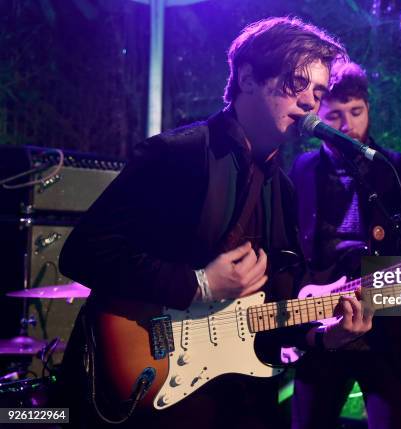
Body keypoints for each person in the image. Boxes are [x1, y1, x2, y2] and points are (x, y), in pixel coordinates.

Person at [54, 18, 373, 428]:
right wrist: (199, 284)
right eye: (297, 83)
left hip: (234, 398)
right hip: (146, 386)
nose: (311, 102)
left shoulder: (284, 191)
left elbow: (269, 314)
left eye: (318, 91)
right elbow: (83, 252)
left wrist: (325, 337)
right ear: (248, 77)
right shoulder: (177, 155)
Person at [289, 62, 401, 429]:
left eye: (356, 112)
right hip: (322, 326)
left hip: (389, 334)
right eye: (335, 115)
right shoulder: (302, 170)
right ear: (317, 117)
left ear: (369, 109)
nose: (347, 126)